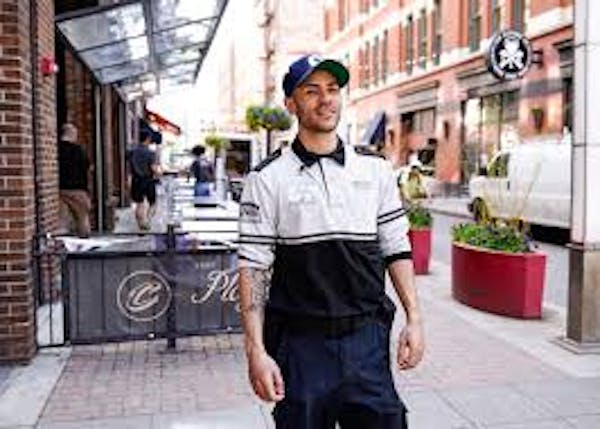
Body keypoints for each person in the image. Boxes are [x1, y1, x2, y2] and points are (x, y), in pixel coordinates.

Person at [238, 54, 425, 429]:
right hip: (301, 347)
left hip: (367, 341)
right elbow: (253, 268)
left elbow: (396, 247)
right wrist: (256, 351)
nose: (325, 100)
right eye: (311, 91)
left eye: (332, 89)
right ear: (291, 104)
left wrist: (415, 319)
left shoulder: (375, 170)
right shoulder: (266, 180)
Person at [58, 123, 91, 237]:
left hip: (59, 190)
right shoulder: (79, 150)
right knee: (82, 219)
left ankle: (63, 247)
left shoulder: (55, 149)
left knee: (62, 223)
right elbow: (88, 167)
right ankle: (83, 246)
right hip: (78, 189)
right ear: (72, 134)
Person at [129, 128, 161, 231]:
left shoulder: (132, 152)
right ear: (148, 139)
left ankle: (140, 224)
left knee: (139, 203)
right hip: (148, 179)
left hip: (136, 179)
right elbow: (153, 168)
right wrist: (159, 174)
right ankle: (146, 220)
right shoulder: (150, 153)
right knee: (153, 203)